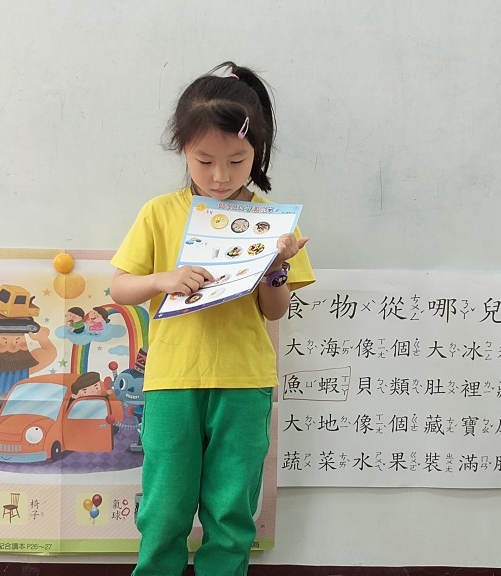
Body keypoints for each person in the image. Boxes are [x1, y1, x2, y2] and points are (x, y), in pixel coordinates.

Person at [110, 62, 315, 576]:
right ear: (183, 149)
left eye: (236, 160)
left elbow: (275, 310)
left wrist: (276, 268)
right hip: (172, 381)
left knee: (231, 510)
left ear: (257, 152)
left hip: (244, 381)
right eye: (204, 161)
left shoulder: (272, 224)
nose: (220, 176)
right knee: (164, 507)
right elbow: (119, 288)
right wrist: (163, 279)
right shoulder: (160, 213)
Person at [0, 322, 57, 414]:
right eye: (5, 341)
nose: (12, 346)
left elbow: (50, 353)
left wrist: (43, 339)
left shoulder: (29, 361)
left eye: (17, 341)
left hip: (17, 396)